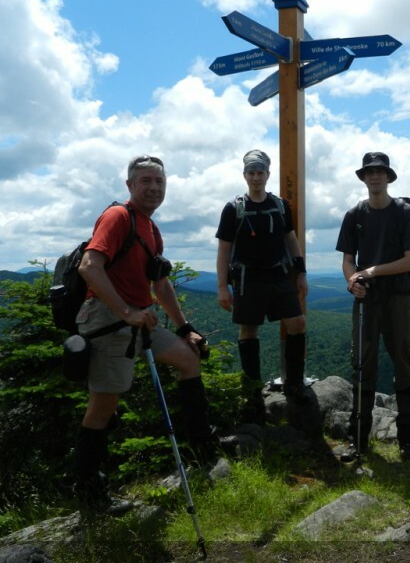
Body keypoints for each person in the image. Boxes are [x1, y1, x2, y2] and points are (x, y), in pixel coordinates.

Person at [73, 155, 225, 512]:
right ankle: (90, 491)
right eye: (145, 181)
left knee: (189, 360)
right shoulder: (118, 217)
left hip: (144, 319)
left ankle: (202, 445)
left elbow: (160, 284)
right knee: (103, 404)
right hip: (110, 320)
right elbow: (88, 266)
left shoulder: (151, 229)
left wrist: (185, 328)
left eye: (159, 182)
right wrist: (126, 312)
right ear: (130, 185)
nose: (154, 188)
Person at [336, 151, 410, 461]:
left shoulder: (405, 213)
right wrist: (353, 282)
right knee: (363, 365)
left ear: (388, 176)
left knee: (404, 364)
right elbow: (348, 261)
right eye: (369, 172)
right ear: (363, 178)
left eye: (380, 172)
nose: (375, 177)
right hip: (369, 298)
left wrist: (370, 271)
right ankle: (358, 440)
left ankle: (407, 441)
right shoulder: (354, 215)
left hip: (399, 296)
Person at [215, 149, 309, 412]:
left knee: (297, 323)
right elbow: (224, 249)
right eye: (252, 173)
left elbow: (291, 239)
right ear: (245, 175)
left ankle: (294, 383)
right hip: (248, 278)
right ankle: (253, 392)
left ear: (268, 175)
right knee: (248, 330)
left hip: (278, 275)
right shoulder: (233, 209)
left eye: (261, 173)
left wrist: (301, 272)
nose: (256, 178)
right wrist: (222, 286)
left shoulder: (279, 206)